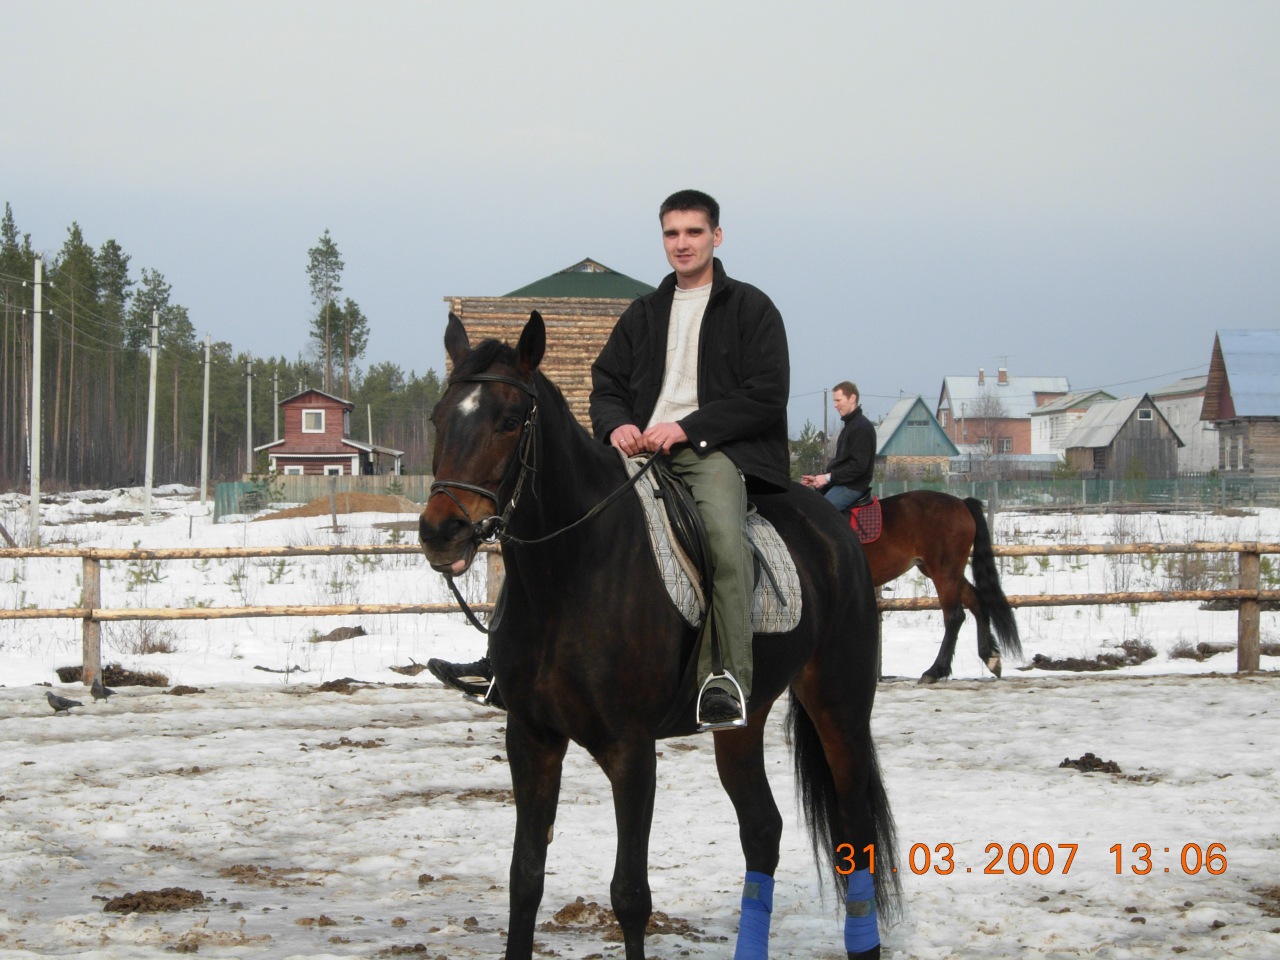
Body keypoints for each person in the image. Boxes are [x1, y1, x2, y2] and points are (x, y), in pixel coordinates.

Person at [429, 190, 791, 731]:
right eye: (672, 233)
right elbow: (606, 383)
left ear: (716, 237)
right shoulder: (643, 313)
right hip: (637, 450)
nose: (682, 243)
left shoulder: (751, 309)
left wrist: (687, 428)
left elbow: (766, 393)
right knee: (537, 525)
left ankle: (724, 676)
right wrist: (616, 424)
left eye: (694, 232)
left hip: (709, 453)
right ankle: (502, 664)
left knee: (724, 540)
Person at [801, 382, 875, 510]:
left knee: (819, 512)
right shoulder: (850, 426)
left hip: (852, 487)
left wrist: (827, 478)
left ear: (852, 398)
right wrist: (819, 478)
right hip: (842, 484)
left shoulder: (861, 427)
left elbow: (858, 466)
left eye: (838, 400)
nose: (835, 405)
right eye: (834, 401)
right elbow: (843, 464)